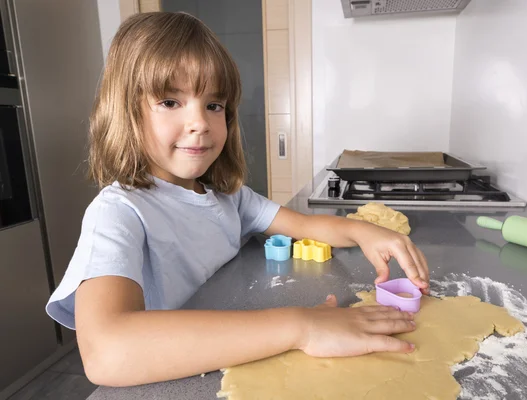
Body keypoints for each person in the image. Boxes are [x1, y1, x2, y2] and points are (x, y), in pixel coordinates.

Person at [46, 12, 430, 387]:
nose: (200, 122)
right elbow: (107, 352)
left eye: (214, 105)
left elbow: (307, 226)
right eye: (170, 101)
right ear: (126, 112)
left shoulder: (227, 198)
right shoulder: (119, 212)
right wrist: (302, 326)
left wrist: (365, 232)